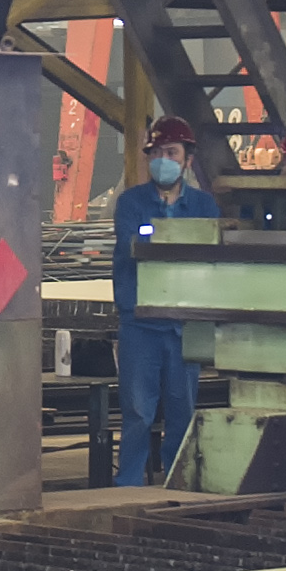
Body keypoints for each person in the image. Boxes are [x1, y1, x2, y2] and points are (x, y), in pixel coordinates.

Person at [111, 114, 222, 487]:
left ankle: (177, 480)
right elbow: (132, 245)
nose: (163, 160)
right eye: (157, 153)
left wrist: (155, 235)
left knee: (182, 410)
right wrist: (169, 237)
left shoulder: (204, 206)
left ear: (188, 159)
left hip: (183, 323)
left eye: (171, 152)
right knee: (137, 411)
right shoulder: (131, 202)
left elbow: (209, 255)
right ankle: (129, 483)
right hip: (140, 321)